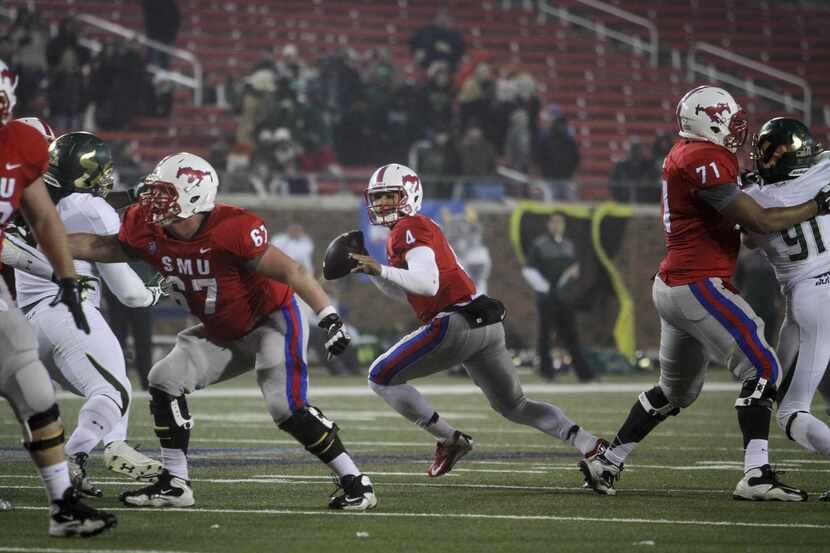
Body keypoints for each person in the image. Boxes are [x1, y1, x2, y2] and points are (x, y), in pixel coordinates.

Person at [64, 152, 377, 511]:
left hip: (271, 321)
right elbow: (103, 246)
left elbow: (293, 271)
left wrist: (329, 317)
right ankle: (175, 483)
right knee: (163, 379)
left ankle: (355, 481)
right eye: (153, 192)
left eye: (164, 194)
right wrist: (43, 236)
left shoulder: (233, 229)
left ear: (194, 197)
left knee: (285, 407)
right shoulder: (144, 225)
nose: (152, 202)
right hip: (221, 328)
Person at [580, 86, 830, 500]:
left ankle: (608, 459)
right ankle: (756, 475)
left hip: (673, 284)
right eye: (729, 120)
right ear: (710, 121)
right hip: (699, 283)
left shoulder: (689, 154)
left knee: (675, 392)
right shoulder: (705, 159)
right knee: (763, 366)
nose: (737, 129)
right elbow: (760, 223)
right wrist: (816, 205)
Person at [348, 163, 607, 478]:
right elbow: (408, 291)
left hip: (453, 324)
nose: (383, 204)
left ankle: (448, 439)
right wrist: (375, 271)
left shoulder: (408, 227)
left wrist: (381, 269)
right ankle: (589, 444)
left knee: (380, 376)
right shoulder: (419, 228)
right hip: (484, 324)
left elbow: (427, 284)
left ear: (410, 194)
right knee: (515, 405)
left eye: (391, 195)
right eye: (379, 198)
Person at [5, 130, 164, 497]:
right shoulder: (92, 208)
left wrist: (131, 196)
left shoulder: (27, 193)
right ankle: (74, 460)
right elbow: (129, 293)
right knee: (114, 391)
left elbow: (74, 204)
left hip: (29, 319)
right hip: (67, 310)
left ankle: (115, 443)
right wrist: (155, 292)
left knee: (110, 383)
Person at [0, 59, 115, 536]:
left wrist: (67, 277)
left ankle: (63, 506)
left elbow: (44, 217)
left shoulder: (19, 144)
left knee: (35, 389)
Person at [740, 117, 830, 501]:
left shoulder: (759, 200)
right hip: (810, 300)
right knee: (785, 382)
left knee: (792, 414)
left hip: (814, 298)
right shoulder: (825, 167)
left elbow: (750, 240)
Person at [522, 213, 595, 382]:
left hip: (565, 299)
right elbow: (529, 270)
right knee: (545, 336)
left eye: (560, 222)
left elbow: (573, 268)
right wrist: (546, 288)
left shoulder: (569, 245)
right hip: (547, 299)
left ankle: (584, 374)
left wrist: (573, 275)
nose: (557, 225)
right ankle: (547, 373)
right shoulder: (539, 245)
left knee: (572, 335)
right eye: (554, 222)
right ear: (548, 224)